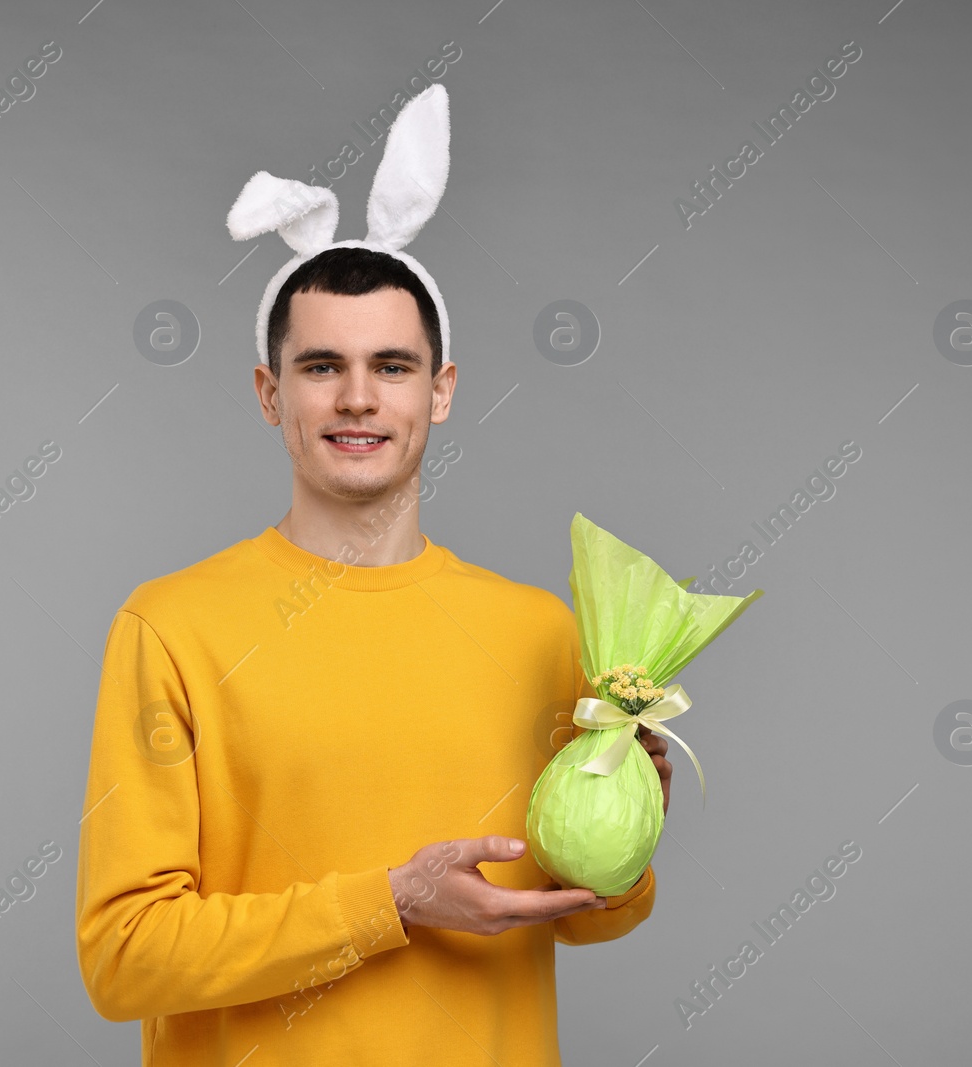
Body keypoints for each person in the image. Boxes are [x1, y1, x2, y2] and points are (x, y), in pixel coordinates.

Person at [73, 238, 674, 1064]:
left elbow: (583, 911)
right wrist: (392, 903)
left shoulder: (542, 633)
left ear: (441, 392)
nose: (358, 398)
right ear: (268, 393)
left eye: (393, 367)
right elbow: (125, 955)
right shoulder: (173, 627)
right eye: (321, 367)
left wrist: (623, 831)